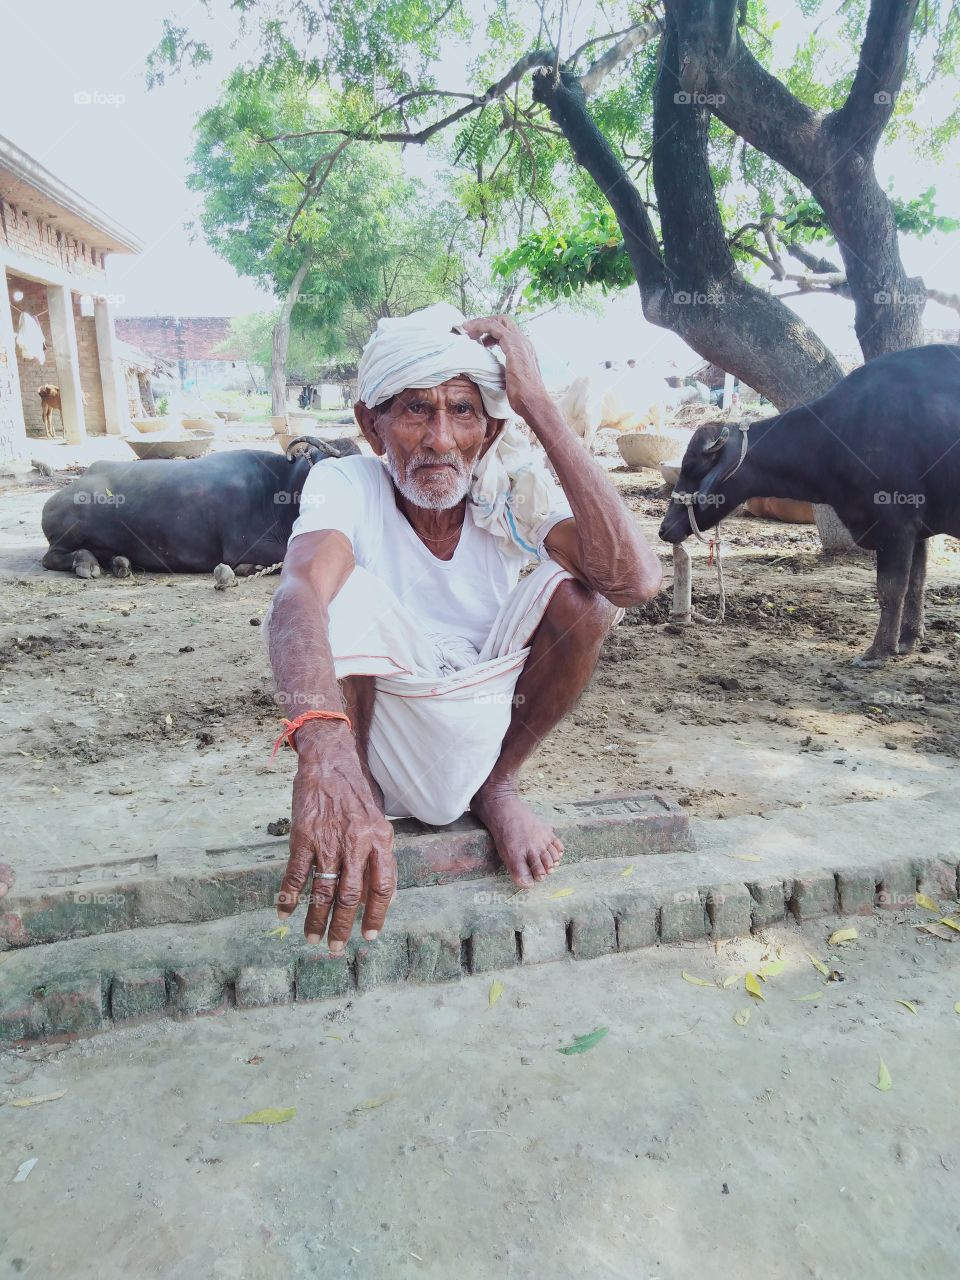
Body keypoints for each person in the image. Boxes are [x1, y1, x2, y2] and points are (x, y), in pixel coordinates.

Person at [266, 304, 662, 952]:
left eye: (463, 411)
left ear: (491, 427)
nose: (441, 439)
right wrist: (323, 753)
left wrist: (538, 405)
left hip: (483, 728)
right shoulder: (346, 482)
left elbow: (635, 582)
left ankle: (497, 787)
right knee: (341, 591)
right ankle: (359, 800)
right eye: (415, 410)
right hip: (381, 740)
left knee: (586, 597)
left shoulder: (508, 490)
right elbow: (297, 594)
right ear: (371, 425)